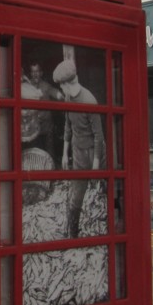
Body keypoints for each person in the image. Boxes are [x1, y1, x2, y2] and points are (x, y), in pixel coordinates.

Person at [53, 60, 105, 237]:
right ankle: (73, 233)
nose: (61, 90)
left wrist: (96, 164)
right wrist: (64, 153)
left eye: (61, 86)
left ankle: (104, 228)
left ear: (68, 84)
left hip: (93, 152)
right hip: (77, 152)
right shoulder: (68, 98)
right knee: (76, 195)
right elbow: (67, 126)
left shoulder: (89, 100)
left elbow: (99, 136)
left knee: (100, 192)